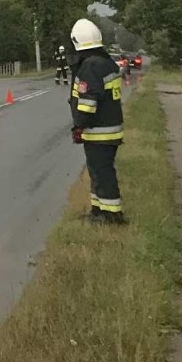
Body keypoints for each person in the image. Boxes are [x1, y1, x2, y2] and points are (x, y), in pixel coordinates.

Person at [68, 18, 125, 224]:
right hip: (110, 128)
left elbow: (87, 103)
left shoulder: (90, 67)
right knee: (98, 171)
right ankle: (99, 211)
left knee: (102, 172)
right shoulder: (106, 62)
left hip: (99, 130)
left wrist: (79, 125)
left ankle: (111, 215)